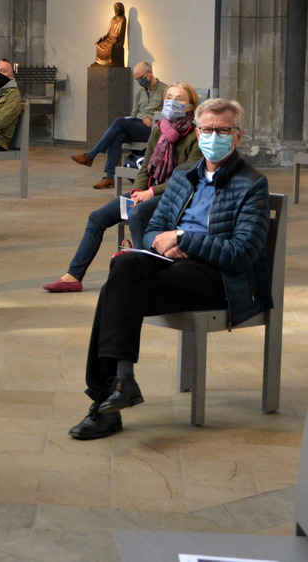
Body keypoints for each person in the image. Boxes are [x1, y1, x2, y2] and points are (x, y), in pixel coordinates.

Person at [68, 99, 272, 440]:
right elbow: (153, 226)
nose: (213, 137)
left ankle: (109, 398)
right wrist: (163, 243)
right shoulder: (182, 176)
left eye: (223, 130)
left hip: (218, 277)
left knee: (114, 290)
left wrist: (184, 240)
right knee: (123, 272)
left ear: (238, 136)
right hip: (173, 267)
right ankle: (118, 387)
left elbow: (242, 253)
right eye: (207, 129)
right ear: (197, 130)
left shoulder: (251, 183)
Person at [44, 82, 202, 293]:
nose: (172, 102)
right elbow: (146, 167)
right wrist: (137, 191)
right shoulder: (160, 130)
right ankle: (73, 275)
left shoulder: (195, 136)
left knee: (137, 214)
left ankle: (143, 274)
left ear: (191, 107)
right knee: (97, 217)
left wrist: (151, 192)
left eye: (179, 99)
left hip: (174, 197)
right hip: (147, 191)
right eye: (169, 97)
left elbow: (185, 178)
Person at [71, 61, 169, 189]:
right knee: (118, 135)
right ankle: (110, 177)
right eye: (137, 79)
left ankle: (91, 155)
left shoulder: (165, 90)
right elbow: (134, 112)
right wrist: (133, 119)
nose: (139, 81)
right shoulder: (140, 93)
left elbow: (168, 115)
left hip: (152, 129)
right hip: (137, 125)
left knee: (119, 121)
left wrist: (154, 122)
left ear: (150, 73)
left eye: (141, 78)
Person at [92, 2, 126, 67]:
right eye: (115, 9)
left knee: (110, 46)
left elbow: (120, 33)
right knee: (99, 45)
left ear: (121, 9)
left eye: (117, 8)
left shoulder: (123, 19)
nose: (116, 10)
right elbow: (108, 33)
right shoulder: (113, 19)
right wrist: (102, 37)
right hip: (110, 38)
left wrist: (114, 38)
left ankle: (110, 61)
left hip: (117, 39)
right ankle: (99, 62)